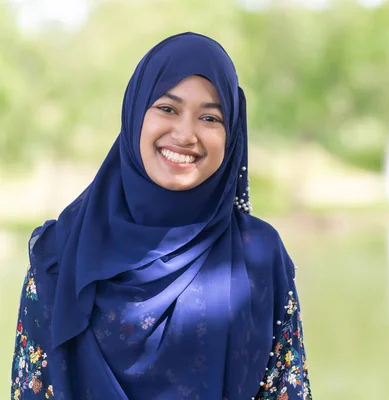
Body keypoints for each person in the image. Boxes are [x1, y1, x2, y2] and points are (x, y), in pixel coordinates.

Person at [10, 32, 312, 400]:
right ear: (136, 112)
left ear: (232, 133)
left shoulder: (258, 254)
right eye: (168, 109)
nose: (185, 134)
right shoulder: (58, 257)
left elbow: (287, 388)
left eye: (210, 117)